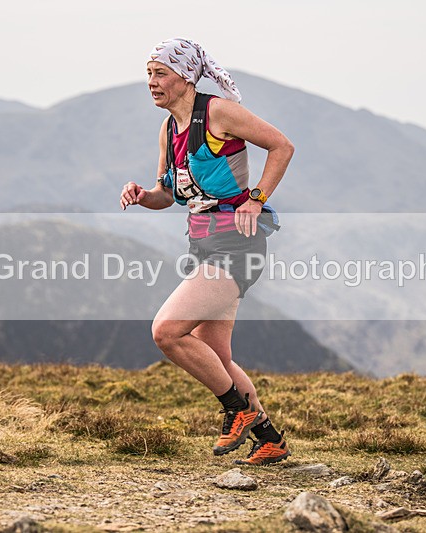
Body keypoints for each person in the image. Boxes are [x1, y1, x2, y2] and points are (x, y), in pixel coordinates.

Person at [120, 38, 294, 466]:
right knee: (216, 355)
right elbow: (168, 193)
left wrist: (256, 197)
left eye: (160, 74)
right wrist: (144, 196)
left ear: (184, 77)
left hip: (237, 242)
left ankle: (238, 409)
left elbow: (282, 146)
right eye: (148, 74)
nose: (152, 83)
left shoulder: (218, 112)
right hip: (202, 242)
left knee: (166, 331)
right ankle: (269, 439)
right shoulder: (168, 128)